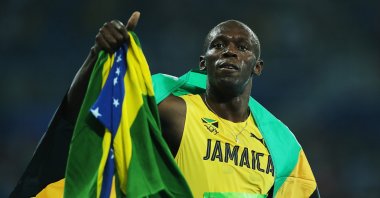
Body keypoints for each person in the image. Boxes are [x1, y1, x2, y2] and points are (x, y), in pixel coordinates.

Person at [12, 11, 319, 197]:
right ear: (203, 62)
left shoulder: (280, 146)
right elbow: (87, 113)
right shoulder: (177, 111)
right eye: (219, 45)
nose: (230, 52)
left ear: (257, 66)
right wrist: (96, 56)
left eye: (242, 47)